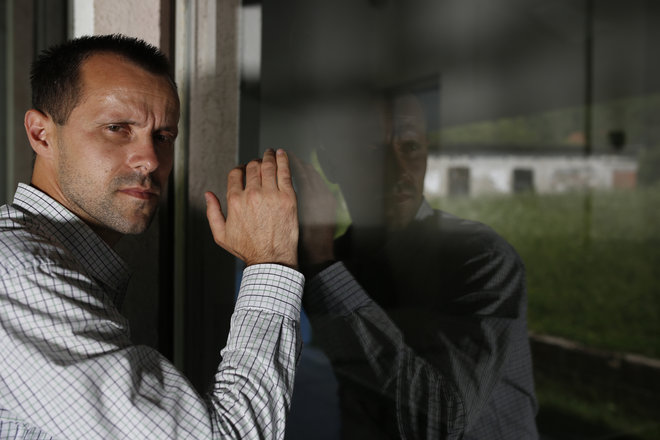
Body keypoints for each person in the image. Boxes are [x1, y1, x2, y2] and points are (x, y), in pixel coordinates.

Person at [0, 35, 302, 439]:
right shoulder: (21, 274)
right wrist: (271, 263)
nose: (150, 159)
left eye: (163, 136)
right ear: (41, 135)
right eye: (117, 128)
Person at [292, 91, 539, 439]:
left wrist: (321, 264)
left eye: (410, 148)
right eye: (372, 150)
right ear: (331, 164)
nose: (398, 169)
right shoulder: (330, 260)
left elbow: (436, 423)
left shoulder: (481, 259)